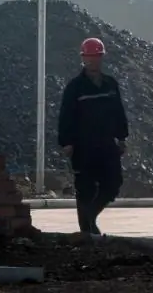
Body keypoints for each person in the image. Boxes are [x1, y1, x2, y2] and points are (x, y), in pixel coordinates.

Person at [57, 37, 129, 235]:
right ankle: (87, 232)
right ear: (83, 58)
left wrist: (122, 137)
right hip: (83, 147)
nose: (93, 60)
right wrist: (66, 142)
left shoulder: (110, 85)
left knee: (112, 183)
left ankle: (90, 217)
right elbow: (66, 116)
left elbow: (119, 112)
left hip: (107, 145)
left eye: (96, 56)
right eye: (89, 57)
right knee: (85, 188)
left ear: (101, 57)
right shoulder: (75, 88)